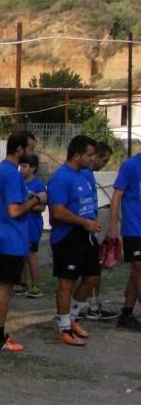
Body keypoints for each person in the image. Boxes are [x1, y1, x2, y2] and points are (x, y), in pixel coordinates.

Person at [0, 131, 41, 352]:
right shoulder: (12, 174)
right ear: (19, 149)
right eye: (30, 148)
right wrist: (36, 200)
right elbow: (14, 210)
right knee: (4, 289)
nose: (32, 153)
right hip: (10, 240)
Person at [47, 135, 100, 346]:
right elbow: (57, 211)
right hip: (67, 237)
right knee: (66, 282)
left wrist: (92, 221)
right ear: (77, 155)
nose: (93, 158)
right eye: (89, 155)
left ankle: (73, 318)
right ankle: (64, 328)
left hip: (86, 234)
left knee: (92, 277)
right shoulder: (60, 178)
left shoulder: (84, 175)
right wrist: (83, 222)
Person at [76, 142, 118, 321]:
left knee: (93, 270)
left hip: (91, 226)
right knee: (89, 272)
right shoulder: (82, 174)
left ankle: (93, 305)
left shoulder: (88, 174)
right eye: (104, 160)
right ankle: (75, 311)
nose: (104, 165)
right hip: (83, 229)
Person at [107, 150, 141, 331]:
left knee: (136, 273)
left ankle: (126, 314)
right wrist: (113, 226)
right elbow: (116, 196)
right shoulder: (130, 165)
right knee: (139, 268)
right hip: (134, 227)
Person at [18, 154, 46, 298]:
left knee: (30, 255)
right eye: (20, 166)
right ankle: (22, 283)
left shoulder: (38, 184)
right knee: (21, 255)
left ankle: (36, 285)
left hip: (32, 226)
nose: (21, 169)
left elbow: (42, 207)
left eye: (24, 166)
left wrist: (26, 206)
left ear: (33, 168)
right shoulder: (18, 182)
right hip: (20, 225)